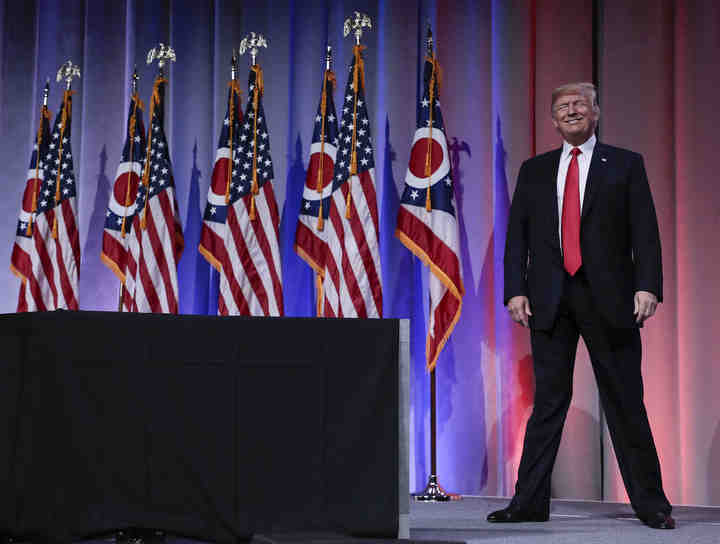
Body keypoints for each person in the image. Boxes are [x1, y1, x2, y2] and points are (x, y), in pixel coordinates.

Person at [489, 82, 674, 529]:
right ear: (553, 120)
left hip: (610, 299)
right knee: (548, 401)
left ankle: (651, 505)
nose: (570, 111)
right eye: (562, 107)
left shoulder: (626, 164)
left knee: (625, 401)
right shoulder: (535, 170)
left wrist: (647, 286)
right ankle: (528, 504)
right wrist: (515, 289)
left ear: (595, 114)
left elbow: (644, 232)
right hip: (550, 299)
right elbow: (517, 237)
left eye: (578, 105)